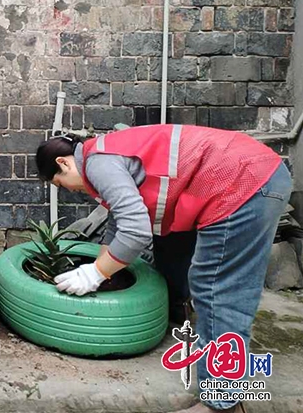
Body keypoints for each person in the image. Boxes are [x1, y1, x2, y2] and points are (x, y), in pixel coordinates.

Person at [35, 124, 291, 413]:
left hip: (243, 183)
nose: (69, 190)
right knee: (171, 241)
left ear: (63, 162)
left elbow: (135, 232)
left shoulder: (98, 163)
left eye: (60, 183)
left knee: (218, 288)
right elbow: (120, 222)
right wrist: (103, 269)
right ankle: (179, 312)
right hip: (247, 174)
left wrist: (94, 274)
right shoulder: (106, 153)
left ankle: (223, 405)